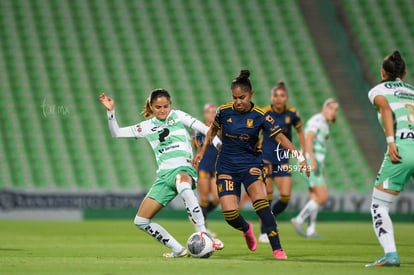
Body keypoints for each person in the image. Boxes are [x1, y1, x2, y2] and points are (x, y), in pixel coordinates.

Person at [193, 70, 310, 260]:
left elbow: (280, 137)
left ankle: (277, 248)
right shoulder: (223, 111)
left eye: (242, 97)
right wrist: (201, 151)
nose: (238, 101)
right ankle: (246, 228)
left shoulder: (260, 116)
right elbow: (211, 131)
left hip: (251, 165)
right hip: (226, 167)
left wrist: (299, 156)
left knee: (262, 205)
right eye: (235, 97)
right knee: (230, 215)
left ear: (251, 95)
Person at [99, 89, 223, 258]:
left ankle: (204, 234)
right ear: (151, 106)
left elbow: (205, 128)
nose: (163, 110)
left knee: (182, 183)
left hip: (183, 168)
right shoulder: (146, 126)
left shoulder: (178, 116)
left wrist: (219, 146)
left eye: (166, 106)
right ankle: (178, 249)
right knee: (141, 221)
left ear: (170, 105)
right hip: (164, 176)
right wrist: (111, 112)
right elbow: (117, 133)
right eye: (158, 107)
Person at [365, 50, 413, 267]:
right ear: (403, 73)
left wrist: (391, 141)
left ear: (383, 72)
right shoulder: (412, 91)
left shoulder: (377, 89)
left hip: (401, 149)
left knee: (379, 206)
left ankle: (391, 254)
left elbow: (384, 107)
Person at [257, 81, 306, 243]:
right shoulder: (264, 112)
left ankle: (271, 216)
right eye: (276, 95)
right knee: (268, 193)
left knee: (285, 196)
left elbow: (300, 131)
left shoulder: (292, 114)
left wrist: (303, 153)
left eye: (282, 96)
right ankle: (264, 230)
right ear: (272, 97)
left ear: (286, 98)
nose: (279, 99)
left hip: (282, 158)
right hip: (265, 156)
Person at [290, 98, 339, 238]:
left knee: (314, 197)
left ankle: (311, 230)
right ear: (324, 108)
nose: (333, 112)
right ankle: (298, 220)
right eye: (331, 108)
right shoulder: (317, 120)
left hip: (313, 164)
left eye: (336, 110)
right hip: (309, 163)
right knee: (322, 197)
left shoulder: (324, 124)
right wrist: (311, 159)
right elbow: (308, 138)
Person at [193, 103, 220, 234]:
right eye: (210, 112)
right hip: (203, 166)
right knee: (204, 198)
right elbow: (196, 147)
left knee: (217, 197)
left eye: (214, 112)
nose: (212, 114)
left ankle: (198, 216)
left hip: (216, 167)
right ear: (205, 114)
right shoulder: (198, 129)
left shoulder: (221, 129)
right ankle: (203, 228)